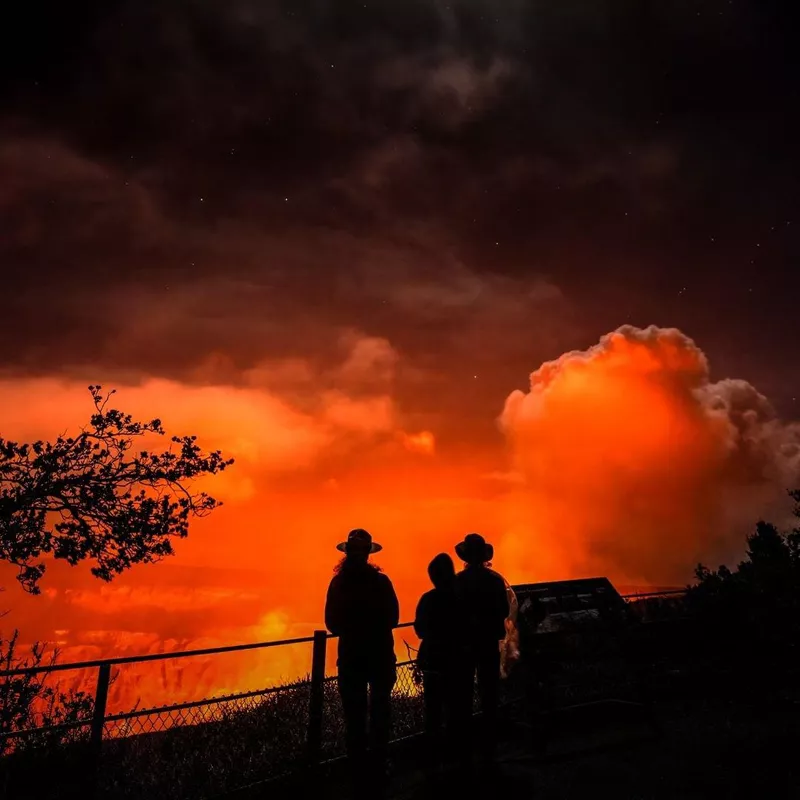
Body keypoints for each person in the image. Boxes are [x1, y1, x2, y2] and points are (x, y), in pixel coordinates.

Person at [324, 528, 400, 795]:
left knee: (354, 717)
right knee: (380, 712)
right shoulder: (381, 582)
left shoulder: (339, 583)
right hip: (379, 655)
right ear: (368, 553)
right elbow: (393, 618)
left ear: (347, 553)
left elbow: (331, 623)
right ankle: (379, 768)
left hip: (351, 657)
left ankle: (357, 772)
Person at [453, 533, 510, 766]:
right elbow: (505, 611)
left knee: (463, 696)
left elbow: (453, 614)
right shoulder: (495, 581)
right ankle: (490, 744)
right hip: (488, 644)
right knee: (489, 694)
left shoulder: (458, 581)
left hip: (465, 646)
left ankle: (464, 745)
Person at [414, 553, 465, 773]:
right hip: (458, 661)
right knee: (457, 710)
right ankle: (458, 757)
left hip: (434, 663)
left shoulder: (428, 599)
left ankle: (433, 760)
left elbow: (420, 630)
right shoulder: (461, 598)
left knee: (433, 713)